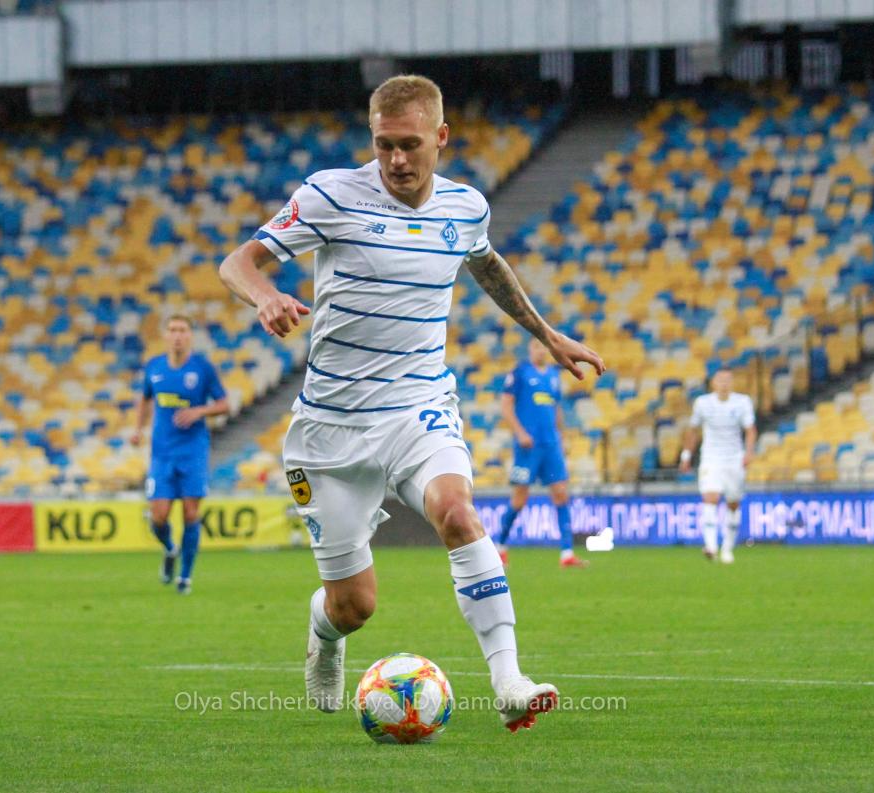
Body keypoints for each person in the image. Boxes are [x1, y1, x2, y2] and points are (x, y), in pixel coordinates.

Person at [218, 75, 605, 732]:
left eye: (410, 145)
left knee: (457, 511)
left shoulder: (465, 207)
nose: (396, 159)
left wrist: (547, 334)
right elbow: (238, 262)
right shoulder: (330, 195)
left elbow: (485, 263)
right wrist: (265, 296)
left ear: (441, 137)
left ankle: (510, 681)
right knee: (354, 606)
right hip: (330, 431)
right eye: (384, 144)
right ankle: (324, 634)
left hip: (416, 407)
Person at [131, 315, 229, 594]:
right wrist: (137, 429)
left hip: (193, 451)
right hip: (161, 453)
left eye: (182, 330)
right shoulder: (154, 367)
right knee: (158, 516)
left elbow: (224, 404)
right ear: (165, 335)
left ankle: (185, 577)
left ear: (190, 335)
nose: (177, 335)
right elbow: (145, 399)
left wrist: (199, 411)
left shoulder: (202, 368)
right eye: (172, 330)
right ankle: (170, 548)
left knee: (190, 512)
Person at [493, 338, 586, 568]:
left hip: (551, 445)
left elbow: (556, 408)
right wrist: (520, 433)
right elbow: (506, 405)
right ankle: (500, 547)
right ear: (530, 349)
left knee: (561, 494)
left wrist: (561, 436)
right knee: (519, 498)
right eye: (536, 346)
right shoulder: (520, 372)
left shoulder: (554, 375)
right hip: (528, 446)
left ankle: (567, 554)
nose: (541, 351)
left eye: (544, 346)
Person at [679, 369, 756, 564]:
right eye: (720, 380)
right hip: (711, 458)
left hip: (734, 459)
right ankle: (711, 546)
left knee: (733, 504)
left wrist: (748, 453)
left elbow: (750, 430)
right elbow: (693, 430)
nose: (724, 383)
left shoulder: (742, 402)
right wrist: (686, 456)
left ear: (732, 382)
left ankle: (727, 548)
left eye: (727, 380)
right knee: (710, 498)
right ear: (713, 383)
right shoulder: (702, 403)